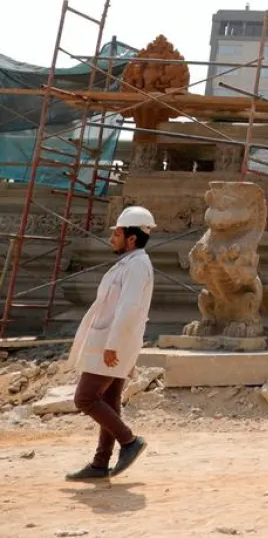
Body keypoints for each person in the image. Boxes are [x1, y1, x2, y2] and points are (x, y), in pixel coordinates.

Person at [65, 205, 155, 480]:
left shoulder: (138, 265)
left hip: (113, 345)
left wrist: (112, 345)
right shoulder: (129, 263)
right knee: (108, 399)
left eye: (116, 233)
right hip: (110, 342)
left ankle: (129, 442)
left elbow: (128, 308)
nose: (111, 238)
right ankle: (100, 463)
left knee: (85, 398)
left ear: (131, 237)